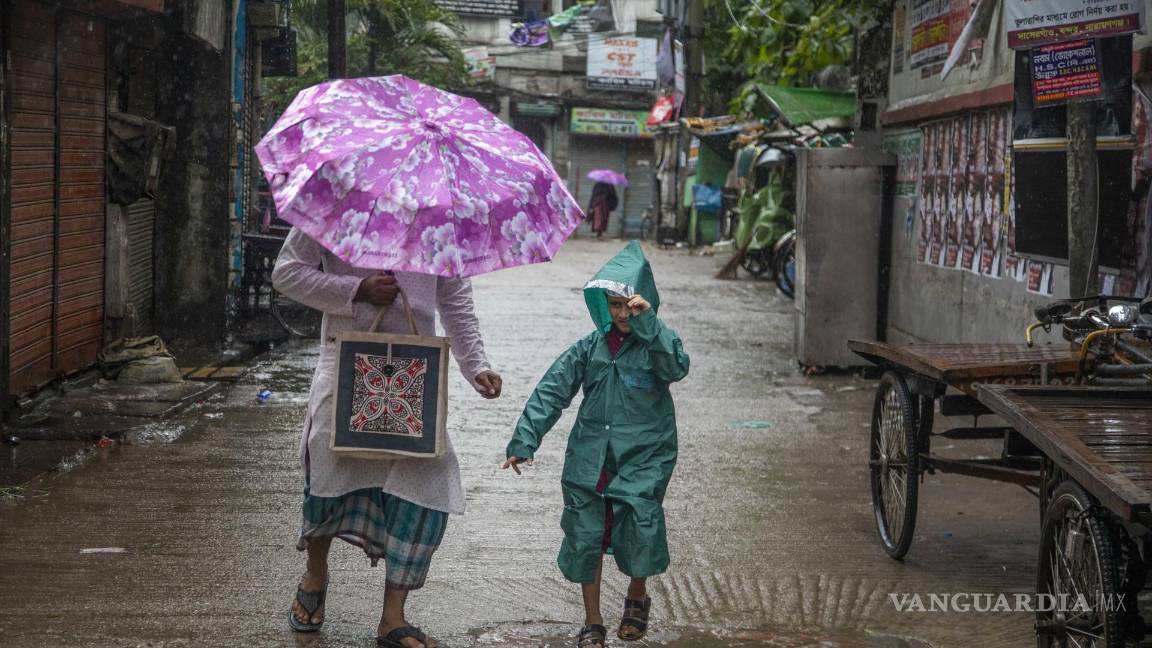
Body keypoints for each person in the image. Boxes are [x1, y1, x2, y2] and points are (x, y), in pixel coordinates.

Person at [272, 227, 502, 648]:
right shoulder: (336, 200)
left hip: (415, 371)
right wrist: (356, 288)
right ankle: (316, 573)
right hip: (344, 361)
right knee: (327, 480)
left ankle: (392, 619)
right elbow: (286, 273)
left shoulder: (441, 218)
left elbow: (454, 300)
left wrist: (476, 365)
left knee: (425, 485)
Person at [501, 241, 690, 648]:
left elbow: (677, 367)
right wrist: (525, 440)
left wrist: (649, 324)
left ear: (642, 300)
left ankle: (637, 597)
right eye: (613, 304)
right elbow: (552, 391)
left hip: (644, 457)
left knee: (641, 523)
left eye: (627, 304)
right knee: (585, 533)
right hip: (590, 457)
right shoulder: (590, 347)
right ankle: (593, 622)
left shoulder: (658, 342)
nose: (620, 313)